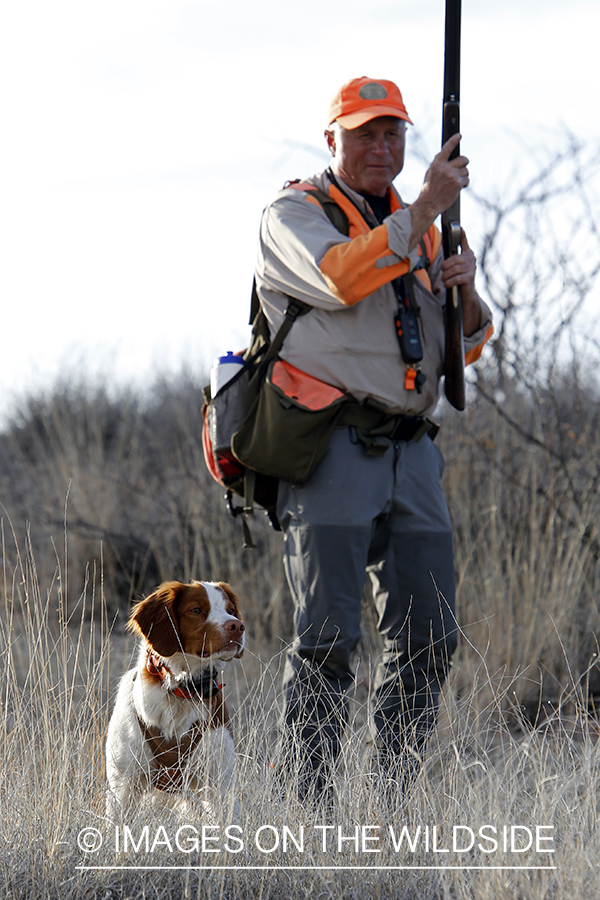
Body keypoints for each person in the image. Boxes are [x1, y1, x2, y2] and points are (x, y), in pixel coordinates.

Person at [254, 77, 493, 796]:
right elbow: (341, 277)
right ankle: (309, 805)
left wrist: (465, 289)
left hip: (414, 450)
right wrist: (424, 210)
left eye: (393, 134)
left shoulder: (424, 227)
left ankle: (396, 799)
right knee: (329, 637)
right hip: (331, 444)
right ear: (332, 139)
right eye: (364, 133)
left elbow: (467, 346)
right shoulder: (294, 213)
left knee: (431, 636)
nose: (381, 148)